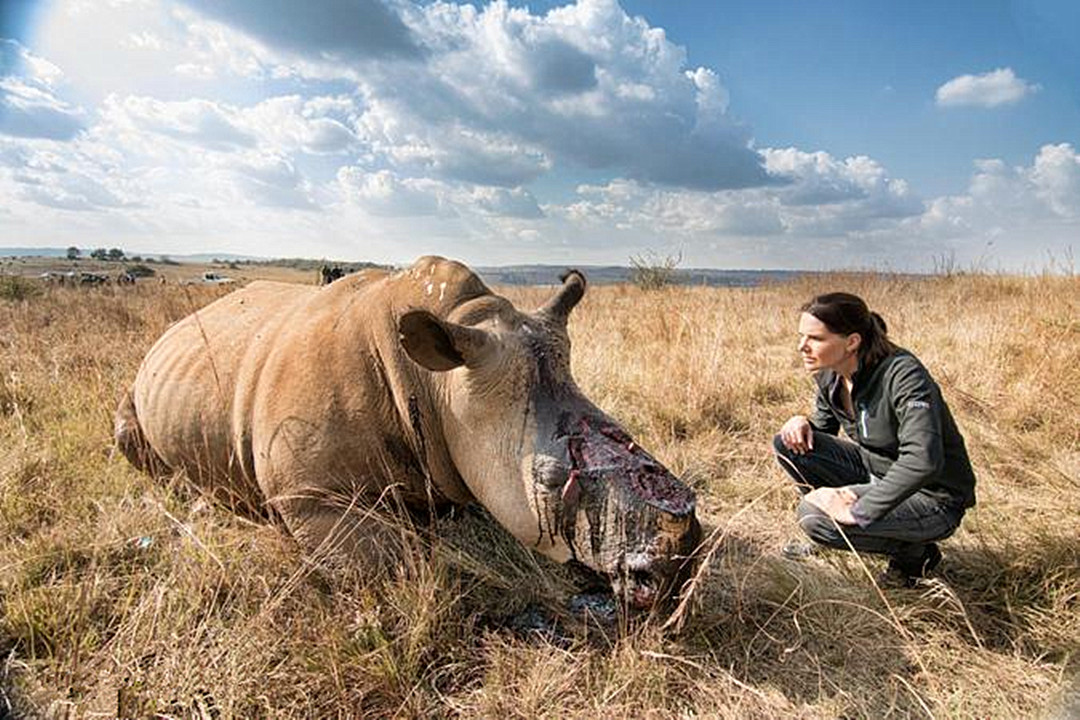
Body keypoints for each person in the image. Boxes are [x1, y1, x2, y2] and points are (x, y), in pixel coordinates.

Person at [772, 292, 976, 587]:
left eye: (815, 338)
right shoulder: (830, 373)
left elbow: (923, 461)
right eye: (801, 336)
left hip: (932, 497)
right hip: (875, 471)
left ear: (851, 342)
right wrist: (801, 422)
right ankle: (843, 527)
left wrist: (858, 510)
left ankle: (914, 554)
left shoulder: (903, 374)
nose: (801, 346)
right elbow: (822, 431)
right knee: (787, 444)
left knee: (813, 518)